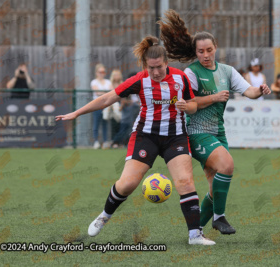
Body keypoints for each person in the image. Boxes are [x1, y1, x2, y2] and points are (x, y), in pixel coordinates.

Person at [55, 35, 215, 245]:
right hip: (145, 136)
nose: (156, 72)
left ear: (166, 63)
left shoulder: (180, 78)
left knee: (185, 181)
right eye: (151, 68)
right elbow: (106, 98)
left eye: (159, 67)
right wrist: (76, 113)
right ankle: (105, 215)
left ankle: (195, 235)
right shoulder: (140, 80)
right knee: (128, 183)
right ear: (145, 66)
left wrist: (188, 106)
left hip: (175, 136)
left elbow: (194, 104)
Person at [159, 10, 271, 235]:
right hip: (197, 131)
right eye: (200, 51)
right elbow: (189, 104)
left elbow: (248, 91)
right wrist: (213, 97)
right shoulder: (191, 73)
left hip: (218, 132)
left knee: (214, 188)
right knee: (227, 165)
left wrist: (259, 90)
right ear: (196, 52)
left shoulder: (227, 71)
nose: (205, 55)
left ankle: (196, 230)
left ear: (216, 47)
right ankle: (219, 217)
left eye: (209, 50)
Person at [91, 64, 112, 149]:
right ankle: (96, 142)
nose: (102, 73)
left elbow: (112, 91)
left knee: (105, 124)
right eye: (100, 72)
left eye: (103, 72)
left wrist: (104, 94)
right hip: (96, 106)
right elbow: (97, 92)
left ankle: (105, 142)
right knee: (96, 124)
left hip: (106, 106)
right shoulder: (94, 82)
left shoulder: (108, 82)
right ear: (96, 73)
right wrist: (106, 93)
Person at [103, 69, 123, 146]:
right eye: (115, 75)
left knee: (120, 123)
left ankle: (118, 142)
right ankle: (113, 141)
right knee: (113, 123)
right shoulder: (109, 84)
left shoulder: (122, 84)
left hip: (120, 105)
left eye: (117, 75)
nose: (116, 76)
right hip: (112, 105)